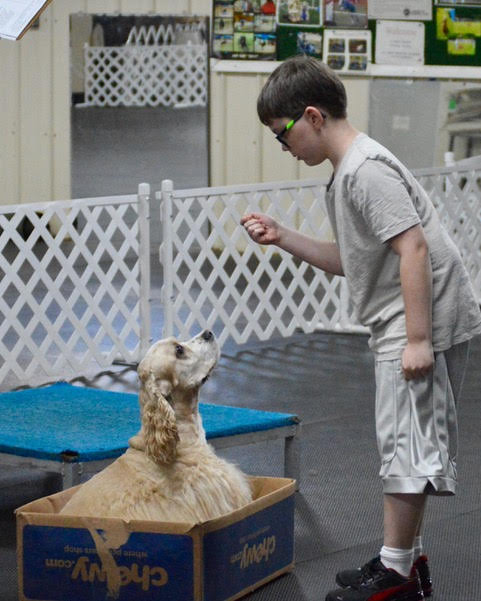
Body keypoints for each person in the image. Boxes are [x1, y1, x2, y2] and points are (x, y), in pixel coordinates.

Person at [240, 55, 481, 601]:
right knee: (404, 441)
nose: (283, 146)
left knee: (406, 446)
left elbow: (412, 246)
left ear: (312, 115)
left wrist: (418, 339)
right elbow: (355, 259)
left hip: (418, 318)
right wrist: (282, 236)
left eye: (282, 134)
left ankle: (395, 574)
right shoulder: (347, 174)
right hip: (404, 313)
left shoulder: (365, 170)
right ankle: (402, 559)